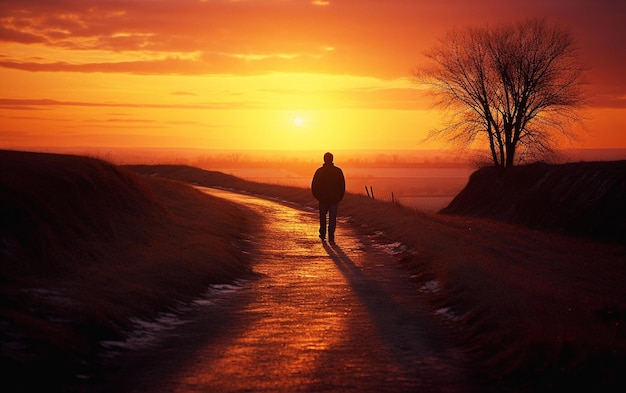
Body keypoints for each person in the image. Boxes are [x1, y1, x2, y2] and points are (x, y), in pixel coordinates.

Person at [311, 152, 346, 243]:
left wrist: (317, 196)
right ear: (332, 159)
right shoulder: (338, 171)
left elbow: (314, 186)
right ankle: (331, 235)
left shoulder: (319, 171)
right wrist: (339, 197)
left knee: (322, 216)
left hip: (322, 199)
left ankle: (323, 234)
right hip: (334, 199)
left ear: (324, 159)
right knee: (332, 217)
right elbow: (342, 186)